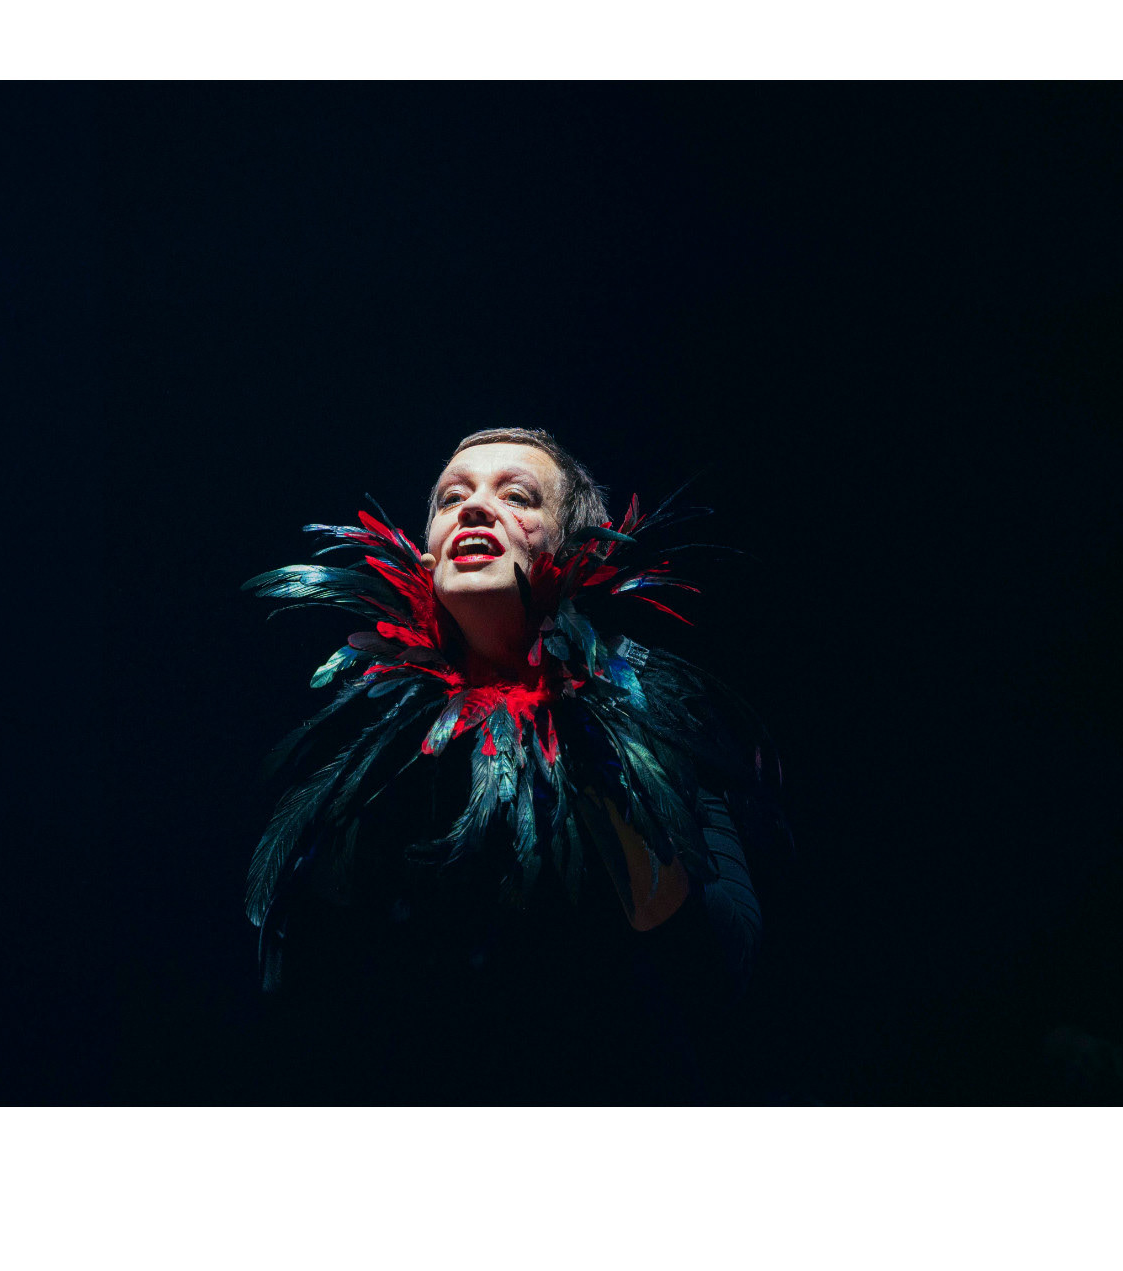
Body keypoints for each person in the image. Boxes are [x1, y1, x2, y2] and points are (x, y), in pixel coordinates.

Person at [243, 427, 777, 1103]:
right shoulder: (375, 745)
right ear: (426, 556)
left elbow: (719, 967)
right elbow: (306, 981)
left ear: (582, 551)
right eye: (452, 498)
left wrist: (584, 717)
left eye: (517, 495)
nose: (473, 507)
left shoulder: (663, 713)